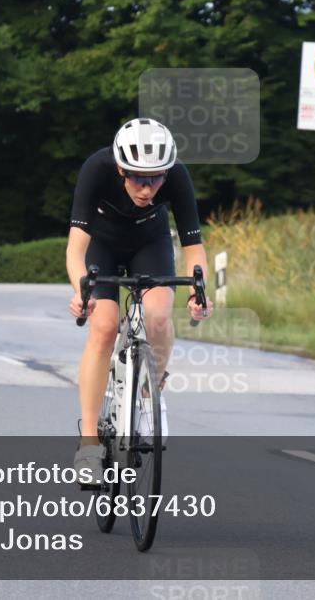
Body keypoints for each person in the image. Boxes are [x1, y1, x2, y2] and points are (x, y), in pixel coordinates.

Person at [67, 118, 213, 484]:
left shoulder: (177, 176)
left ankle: (151, 392)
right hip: (102, 242)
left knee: (159, 316)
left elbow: (194, 248)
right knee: (103, 327)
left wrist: (200, 293)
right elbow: (75, 249)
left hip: (150, 243)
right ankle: (89, 447)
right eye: (137, 178)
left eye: (156, 178)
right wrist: (80, 291)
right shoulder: (96, 169)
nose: (148, 189)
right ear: (120, 168)